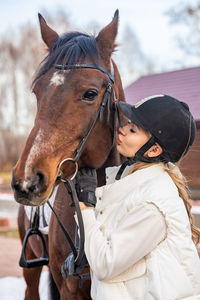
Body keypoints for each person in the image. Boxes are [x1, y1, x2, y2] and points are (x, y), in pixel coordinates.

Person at [75, 94, 200, 300]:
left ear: (153, 150)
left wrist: (86, 211)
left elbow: (106, 264)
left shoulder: (152, 205)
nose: (122, 129)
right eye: (129, 123)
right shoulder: (129, 180)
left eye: (133, 130)